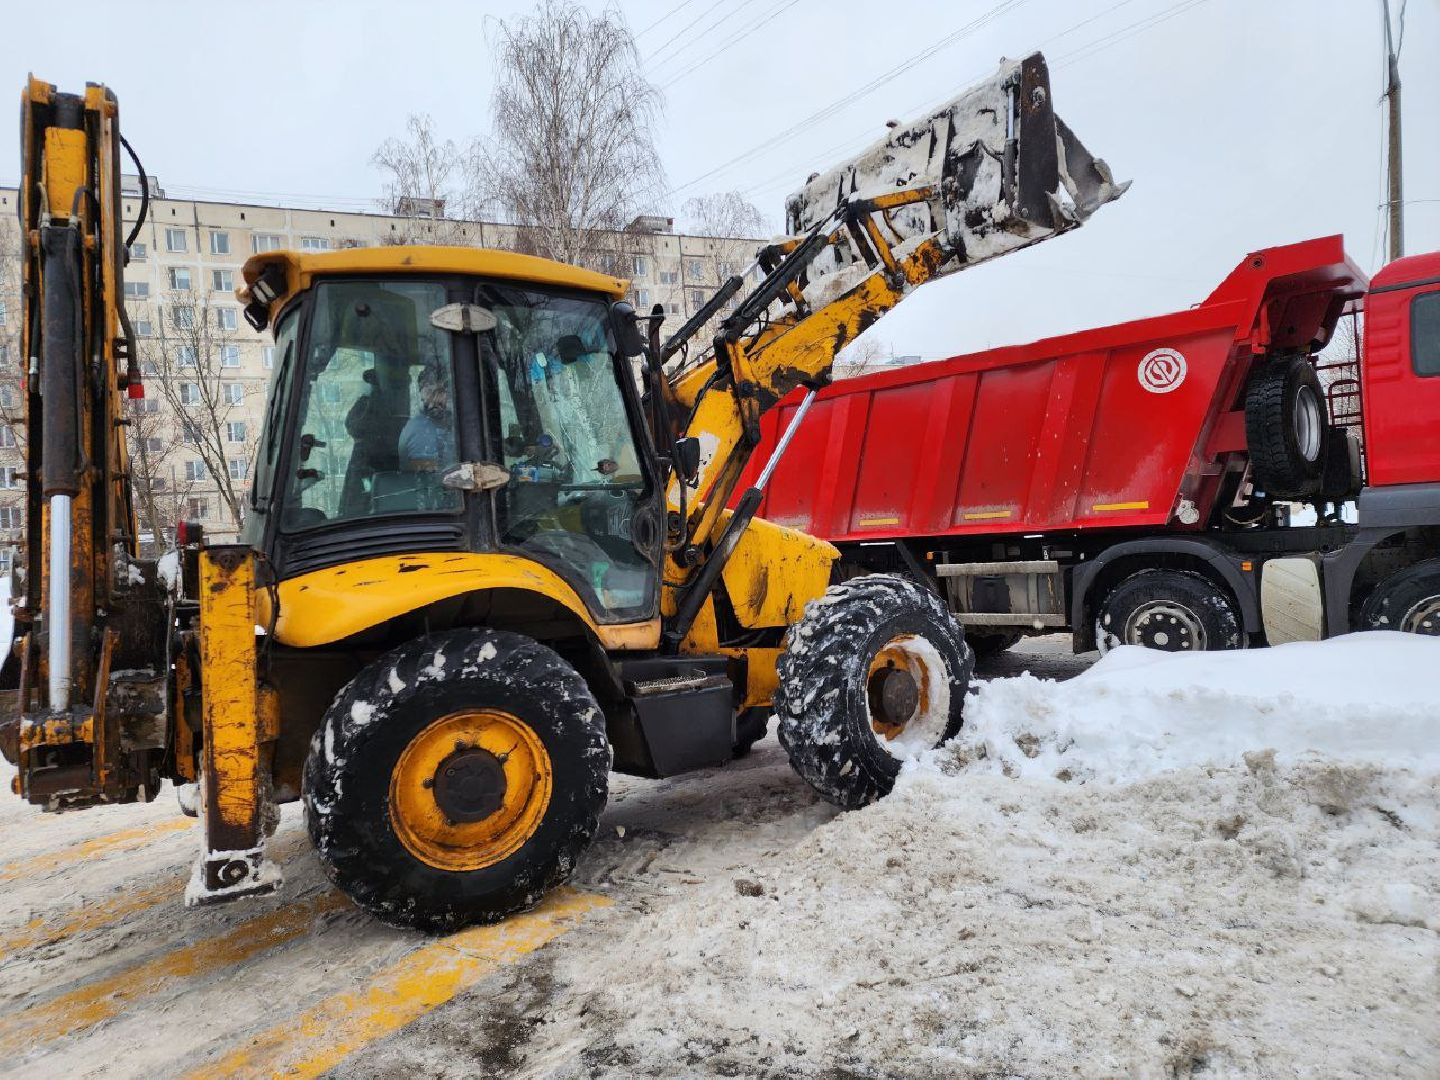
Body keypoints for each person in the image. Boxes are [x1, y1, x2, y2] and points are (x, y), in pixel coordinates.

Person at [398, 366, 456, 472]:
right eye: (429, 391)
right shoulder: (421, 429)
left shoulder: (445, 424)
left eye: (441, 391)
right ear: (421, 394)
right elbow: (428, 479)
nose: (435, 398)